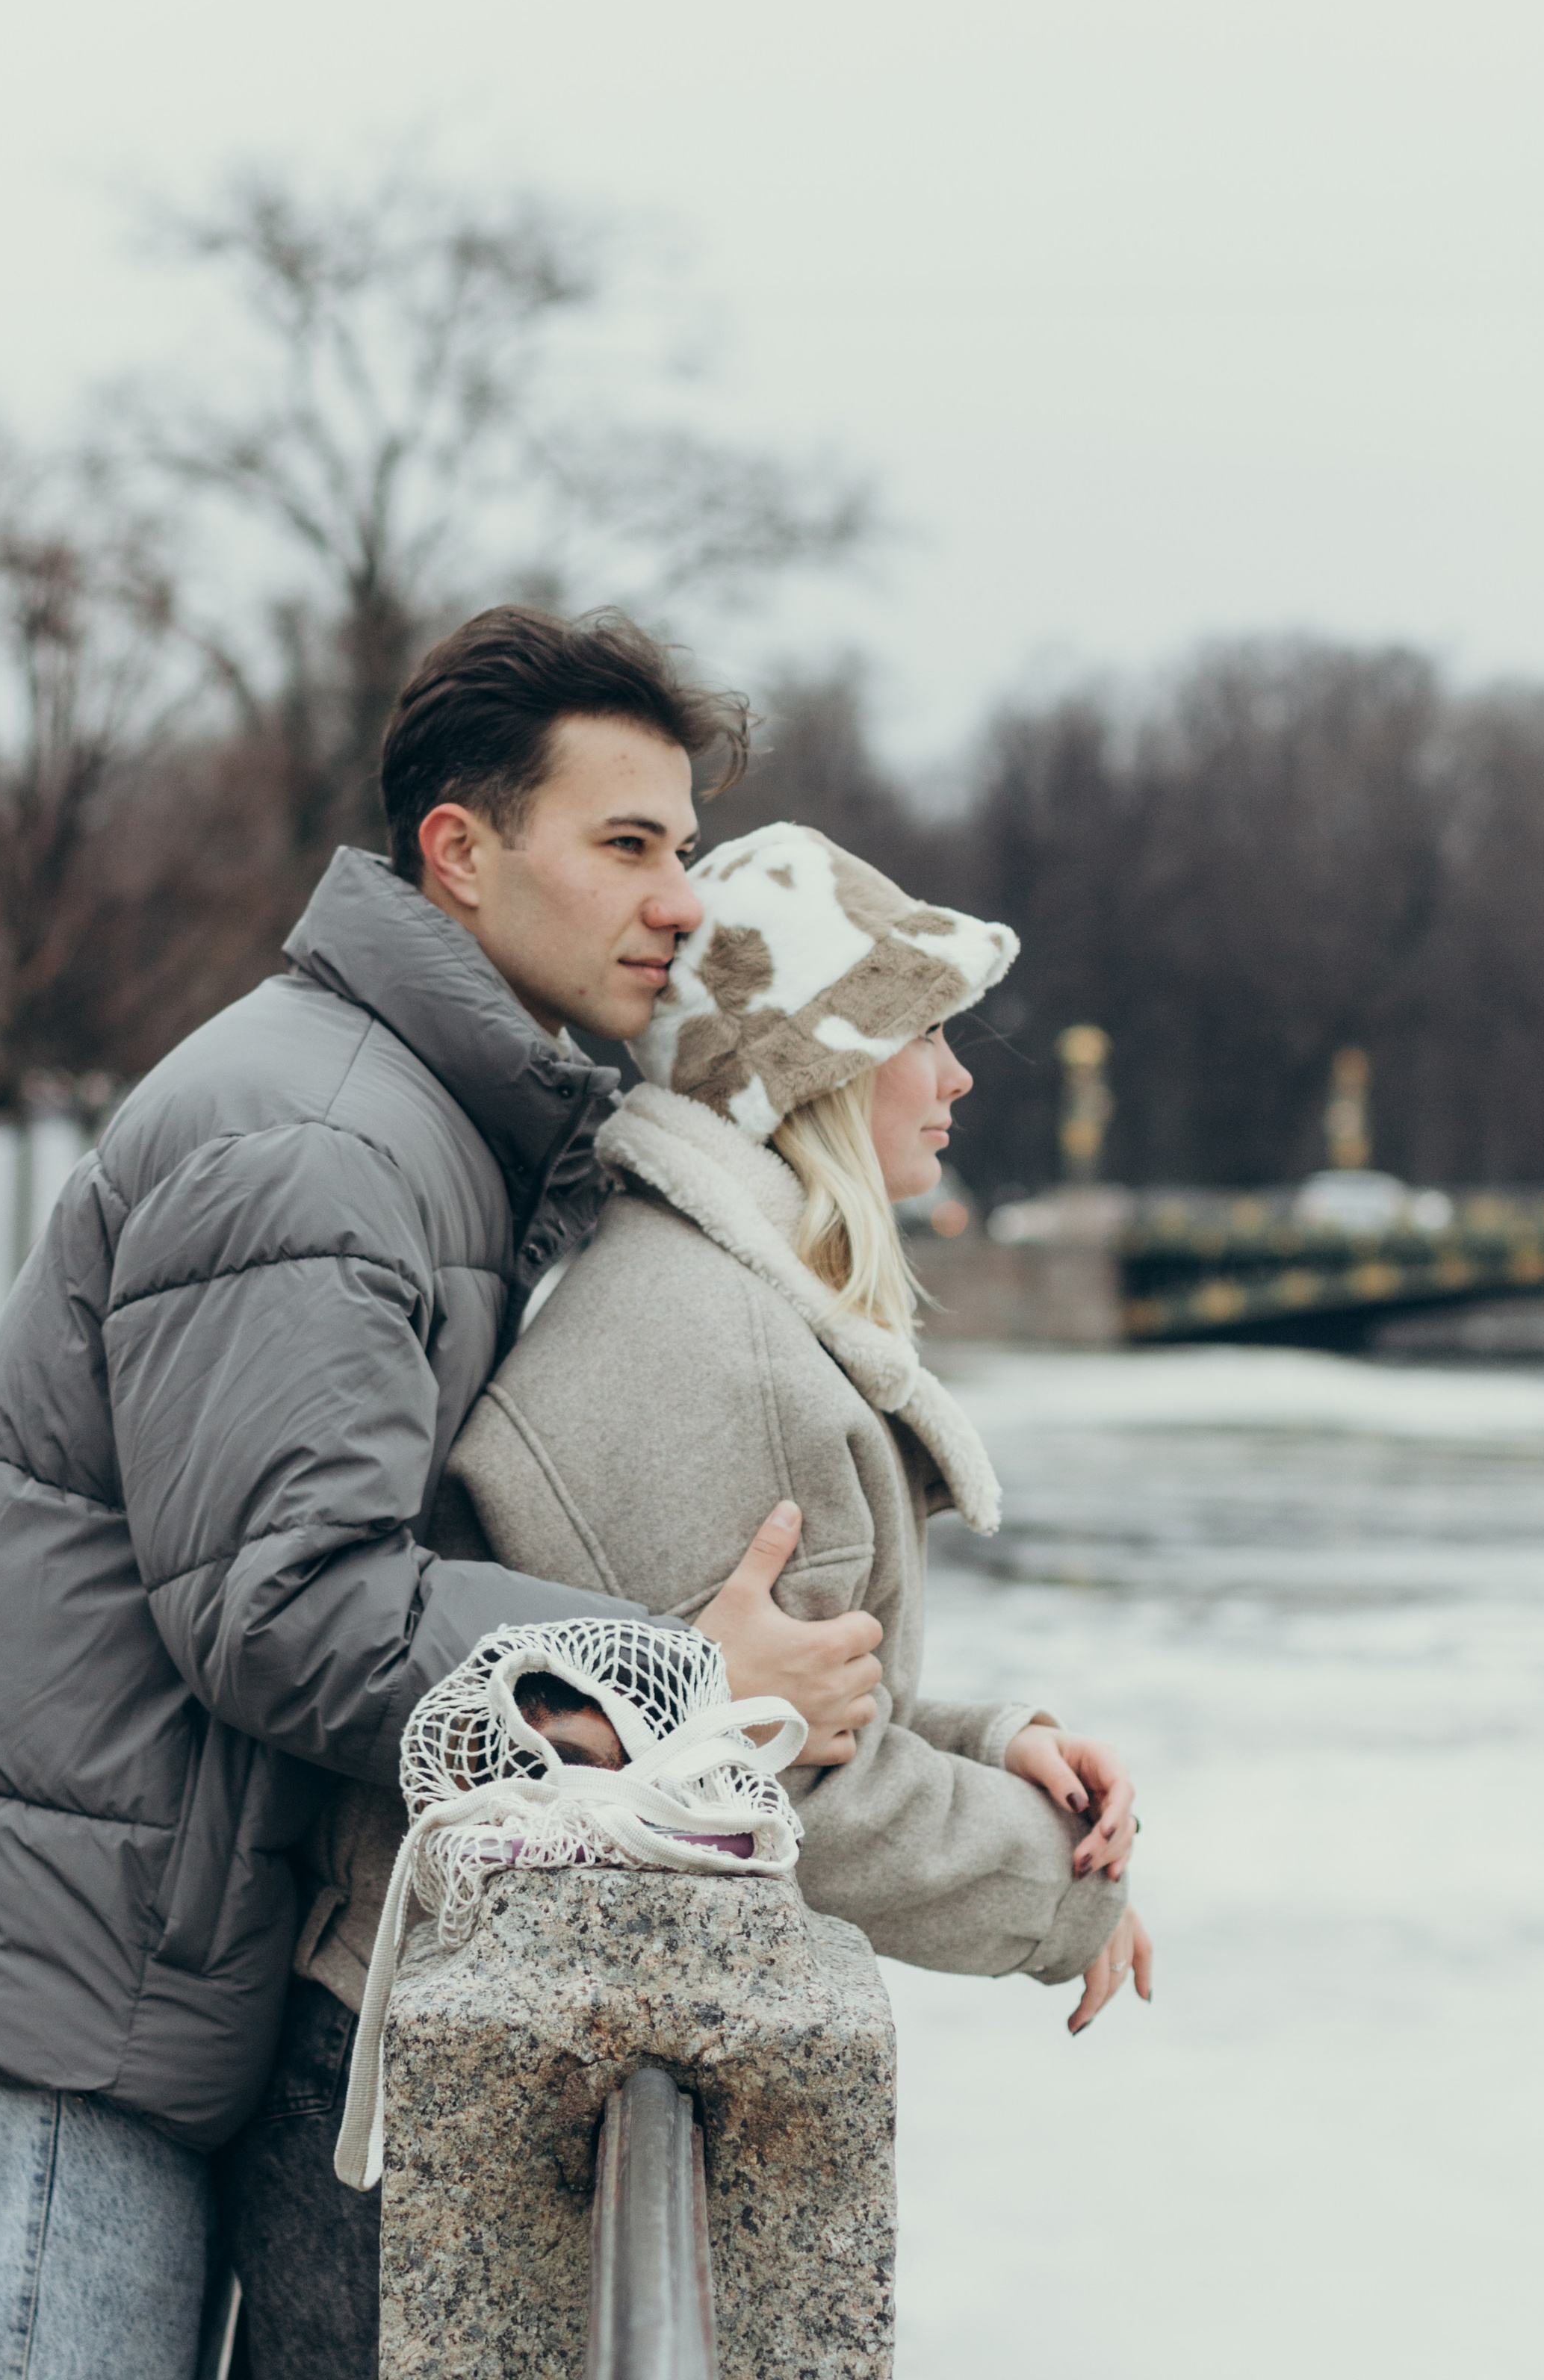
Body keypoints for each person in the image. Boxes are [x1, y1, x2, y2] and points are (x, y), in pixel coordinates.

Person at [0, 609, 885, 2380]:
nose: (680, 902)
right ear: (459, 853)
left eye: (681, 850)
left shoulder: (413, 1115)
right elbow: (289, 1606)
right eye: (626, 845)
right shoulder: (319, 1143)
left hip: (113, 1959)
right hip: (55, 1985)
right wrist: (677, 1678)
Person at [258, 820, 1152, 2376]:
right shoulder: (728, 1354)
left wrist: (995, 1737)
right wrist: (1065, 1889)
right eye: (922, 1035)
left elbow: (754, 1693)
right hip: (424, 2126)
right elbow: (778, 1794)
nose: (956, 1078)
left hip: (411, 2052)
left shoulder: (698, 1286)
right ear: (811, 1072)